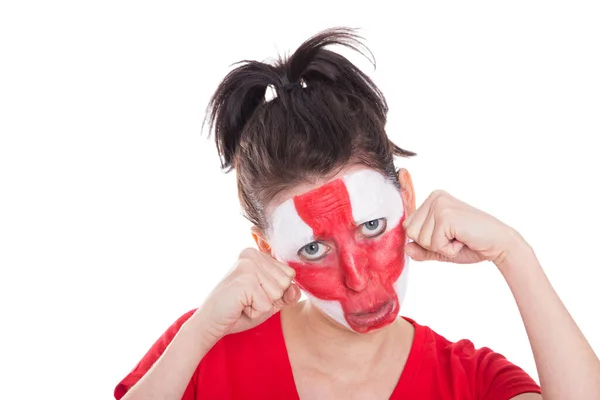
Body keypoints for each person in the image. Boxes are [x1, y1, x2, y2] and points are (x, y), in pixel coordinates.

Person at [114, 28, 600, 400]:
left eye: (371, 226)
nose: (356, 276)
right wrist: (198, 333)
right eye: (313, 247)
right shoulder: (203, 348)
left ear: (404, 197)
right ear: (267, 251)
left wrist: (515, 253)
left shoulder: (467, 380)